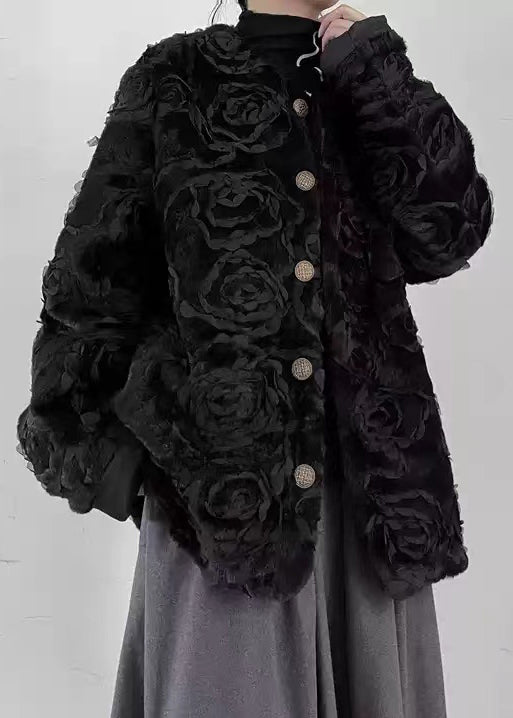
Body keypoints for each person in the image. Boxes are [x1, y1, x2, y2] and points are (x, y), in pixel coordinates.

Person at [16, 1, 494, 716]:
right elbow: (86, 297)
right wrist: (136, 467)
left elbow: (451, 233)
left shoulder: (365, 83)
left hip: (369, 512)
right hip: (220, 522)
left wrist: (374, 70)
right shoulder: (175, 79)